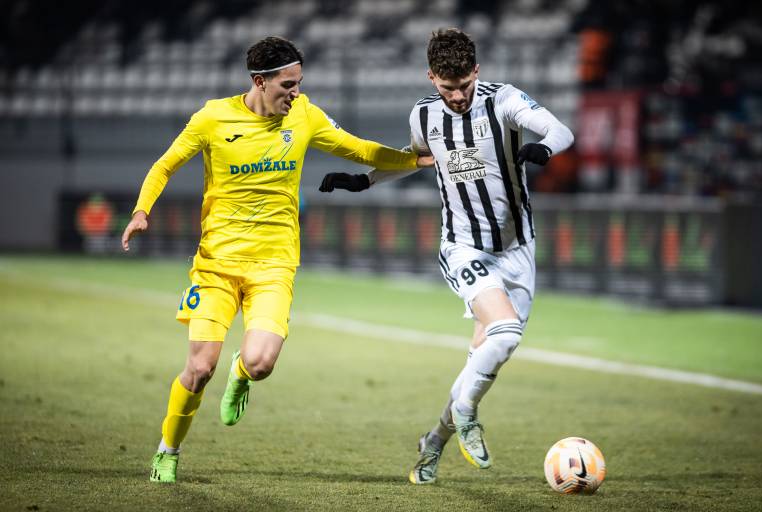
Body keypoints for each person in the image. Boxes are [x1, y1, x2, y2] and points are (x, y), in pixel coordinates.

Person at [121, 36, 432, 483]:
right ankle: (167, 451)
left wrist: (416, 161)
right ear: (259, 81)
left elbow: (360, 149)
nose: (296, 93)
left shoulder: (304, 115)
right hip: (216, 265)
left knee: (261, 364)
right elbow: (165, 164)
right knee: (199, 368)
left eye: (299, 83)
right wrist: (141, 211)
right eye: (288, 84)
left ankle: (241, 373)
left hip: (274, 265)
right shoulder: (213, 117)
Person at [319, 28, 574, 484]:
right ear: (431, 77)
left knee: (488, 353)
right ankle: (467, 414)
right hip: (462, 245)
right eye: (447, 87)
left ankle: (434, 441)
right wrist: (364, 181)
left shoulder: (504, 100)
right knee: (505, 333)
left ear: (477, 71)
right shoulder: (424, 115)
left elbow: (561, 129)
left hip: (518, 249)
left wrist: (544, 146)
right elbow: (416, 158)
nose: (457, 96)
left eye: (464, 85)